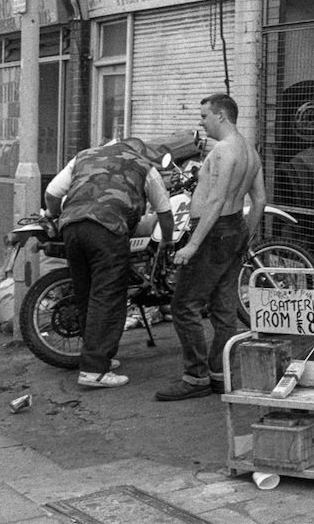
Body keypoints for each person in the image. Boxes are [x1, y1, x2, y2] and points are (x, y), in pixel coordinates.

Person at [156, 94, 266, 401]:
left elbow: (216, 200)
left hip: (213, 232)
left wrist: (192, 245)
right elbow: (260, 200)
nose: (201, 122)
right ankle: (220, 375)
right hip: (234, 232)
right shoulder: (249, 151)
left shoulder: (222, 151)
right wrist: (246, 238)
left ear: (221, 116)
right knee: (223, 309)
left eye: (204, 116)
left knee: (183, 305)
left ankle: (196, 377)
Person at [45, 138, 174, 389]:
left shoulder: (84, 156)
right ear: (139, 151)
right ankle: (95, 370)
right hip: (107, 231)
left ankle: (96, 356)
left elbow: (52, 193)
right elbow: (165, 214)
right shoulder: (144, 166)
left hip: (71, 228)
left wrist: (55, 214)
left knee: (86, 295)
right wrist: (166, 242)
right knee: (108, 298)